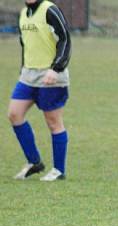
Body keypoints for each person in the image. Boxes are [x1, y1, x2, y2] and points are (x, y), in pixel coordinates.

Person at [8, 0, 71, 181]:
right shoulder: (23, 14)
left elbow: (65, 39)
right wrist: (23, 69)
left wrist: (56, 68)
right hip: (28, 76)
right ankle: (34, 162)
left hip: (50, 75)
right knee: (14, 114)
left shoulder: (50, 10)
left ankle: (59, 170)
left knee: (53, 122)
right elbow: (25, 45)